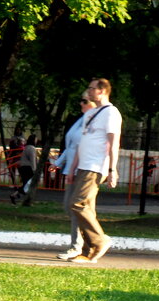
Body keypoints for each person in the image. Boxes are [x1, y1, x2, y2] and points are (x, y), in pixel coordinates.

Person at [66, 78, 121, 263]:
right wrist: (72, 168)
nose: (88, 92)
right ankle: (88, 252)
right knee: (86, 208)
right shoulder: (92, 113)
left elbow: (114, 143)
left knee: (78, 204)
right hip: (83, 166)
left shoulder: (111, 113)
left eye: (91, 88)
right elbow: (82, 143)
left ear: (102, 91)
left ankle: (100, 241)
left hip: (95, 166)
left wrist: (113, 169)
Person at [53, 94, 96, 259]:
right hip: (72, 169)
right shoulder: (81, 120)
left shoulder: (94, 121)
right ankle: (93, 240)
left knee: (77, 209)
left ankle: (77, 247)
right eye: (81, 100)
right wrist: (58, 163)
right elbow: (71, 146)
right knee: (69, 207)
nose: (81, 103)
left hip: (85, 170)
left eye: (85, 101)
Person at [11, 134, 37, 204]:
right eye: (36, 139)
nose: (37, 141)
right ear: (34, 140)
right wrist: (34, 170)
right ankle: (26, 199)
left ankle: (15, 195)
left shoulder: (26, 147)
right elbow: (32, 160)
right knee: (28, 184)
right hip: (28, 168)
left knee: (26, 184)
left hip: (23, 167)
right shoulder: (32, 148)